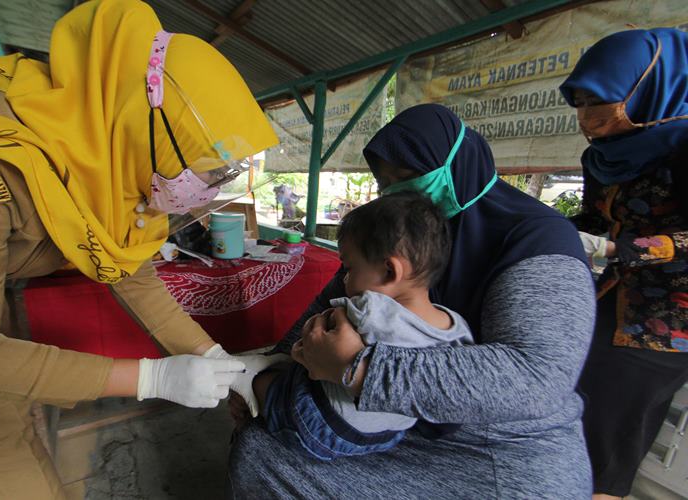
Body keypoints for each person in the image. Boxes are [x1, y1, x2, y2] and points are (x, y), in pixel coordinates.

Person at [0, 0, 281, 498]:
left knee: (1, 445)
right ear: (143, 122)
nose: (211, 186)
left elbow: (133, 272)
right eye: (209, 167)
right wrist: (151, 378)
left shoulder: (111, 161)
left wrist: (217, 357)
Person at [228, 103, 596, 498]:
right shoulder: (395, 232)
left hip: (503, 445)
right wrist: (282, 362)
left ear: (458, 164)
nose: (395, 193)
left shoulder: (535, 240)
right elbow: (330, 302)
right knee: (259, 447)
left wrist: (361, 370)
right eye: (387, 182)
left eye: (407, 177)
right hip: (399, 422)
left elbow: (536, 378)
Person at [558, 28, 688, 499]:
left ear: (646, 88)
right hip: (609, 299)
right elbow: (597, 216)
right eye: (580, 103)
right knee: (570, 396)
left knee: (610, 421)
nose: (588, 116)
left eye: (601, 100)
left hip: (666, 319)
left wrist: (628, 248)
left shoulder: (683, 149)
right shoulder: (602, 158)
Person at [247, 191, 473, 460]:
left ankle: (245, 388)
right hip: (385, 437)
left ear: (390, 271)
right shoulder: (457, 327)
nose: (345, 279)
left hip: (322, 424)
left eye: (349, 268)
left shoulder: (368, 309)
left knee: (263, 381)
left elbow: (313, 338)